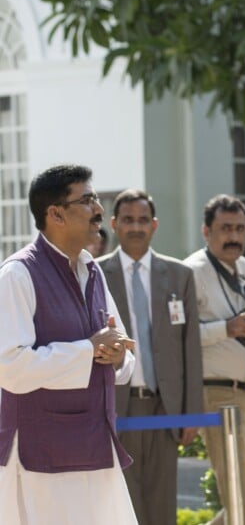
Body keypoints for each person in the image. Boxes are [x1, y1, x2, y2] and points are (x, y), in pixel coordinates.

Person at [0, 164, 138, 524]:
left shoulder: (92, 270)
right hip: (40, 455)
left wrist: (116, 355)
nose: (98, 211)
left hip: (95, 444)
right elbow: (10, 368)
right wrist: (88, 350)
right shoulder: (17, 274)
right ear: (55, 214)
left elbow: (122, 352)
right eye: (88, 199)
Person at [98, 189, 203, 525]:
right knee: (122, 507)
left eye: (143, 220)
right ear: (114, 224)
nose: (135, 228)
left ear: (154, 225)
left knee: (161, 507)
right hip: (116, 407)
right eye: (128, 220)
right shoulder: (95, 275)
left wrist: (192, 413)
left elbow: (190, 346)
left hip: (165, 407)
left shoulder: (179, 275)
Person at [184, 195, 245, 525]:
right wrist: (227, 328)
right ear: (206, 231)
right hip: (217, 398)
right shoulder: (192, 272)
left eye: (239, 229)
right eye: (224, 229)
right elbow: (179, 336)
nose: (233, 237)